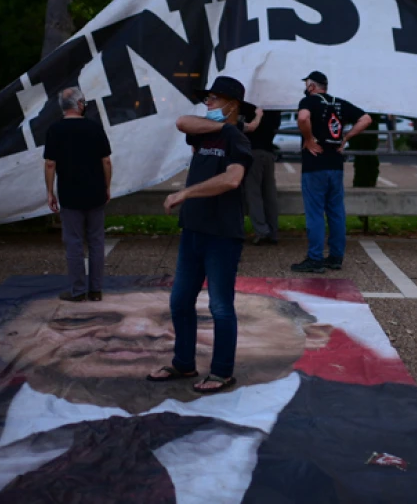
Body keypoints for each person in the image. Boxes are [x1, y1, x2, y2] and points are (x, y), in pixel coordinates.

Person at [0, 280, 417, 503]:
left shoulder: (407, 432)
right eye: (82, 320)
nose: (135, 334)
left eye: (202, 319)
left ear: (314, 335)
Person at [150, 76, 255, 394]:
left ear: (232, 105)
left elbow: (232, 179)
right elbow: (182, 121)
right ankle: (184, 363)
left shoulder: (237, 139)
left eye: (214, 99)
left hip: (222, 234)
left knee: (220, 306)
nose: (207, 104)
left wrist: (187, 193)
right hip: (193, 231)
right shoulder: (210, 132)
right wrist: (220, 125)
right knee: (180, 301)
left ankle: (222, 372)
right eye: (206, 99)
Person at [291, 71, 372, 273]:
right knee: (336, 212)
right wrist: (346, 138)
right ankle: (336, 257)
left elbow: (303, 118)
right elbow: (366, 119)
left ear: (311, 86)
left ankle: (315, 258)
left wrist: (309, 139)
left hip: (315, 164)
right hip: (336, 163)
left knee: (315, 212)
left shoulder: (308, 101)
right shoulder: (339, 103)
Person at [43, 87, 112, 302]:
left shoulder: (55, 130)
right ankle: (96, 290)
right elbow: (106, 161)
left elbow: (50, 164)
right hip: (95, 192)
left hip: (70, 193)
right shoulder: (94, 128)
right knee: (96, 241)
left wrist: (50, 192)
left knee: (73, 242)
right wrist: (107, 187)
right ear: (80, 104)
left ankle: (78, 290)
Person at [245, 109, 282, 245]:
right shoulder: (275, 108)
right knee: (269, 193)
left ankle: (261, 231)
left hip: (252, 151)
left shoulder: (251, 106)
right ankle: (273, 231)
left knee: (253, 193)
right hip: (268, 152)